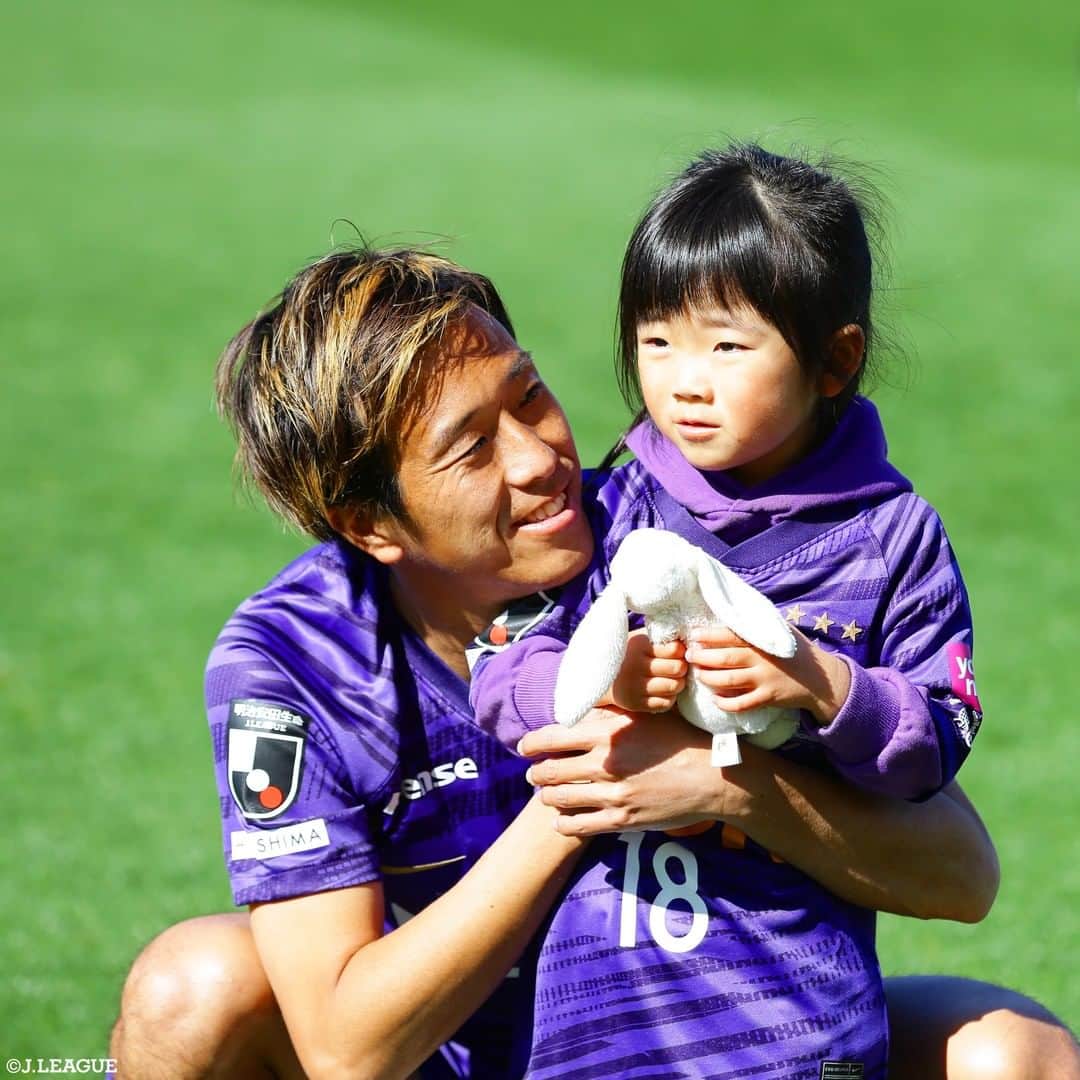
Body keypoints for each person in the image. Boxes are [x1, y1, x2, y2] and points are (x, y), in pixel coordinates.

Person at [109, 245, 1078, 1079]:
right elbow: (348, 1052)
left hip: (697, 1038)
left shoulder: (652, 540)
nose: (539, 458)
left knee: (1015, 1053)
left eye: (528, 395)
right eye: (471, 450)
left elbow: (962, 873)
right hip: (450, 1055)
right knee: (189, 990)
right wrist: (587, 789)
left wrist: (726, 786)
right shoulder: (295, 659)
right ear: (370, 525)